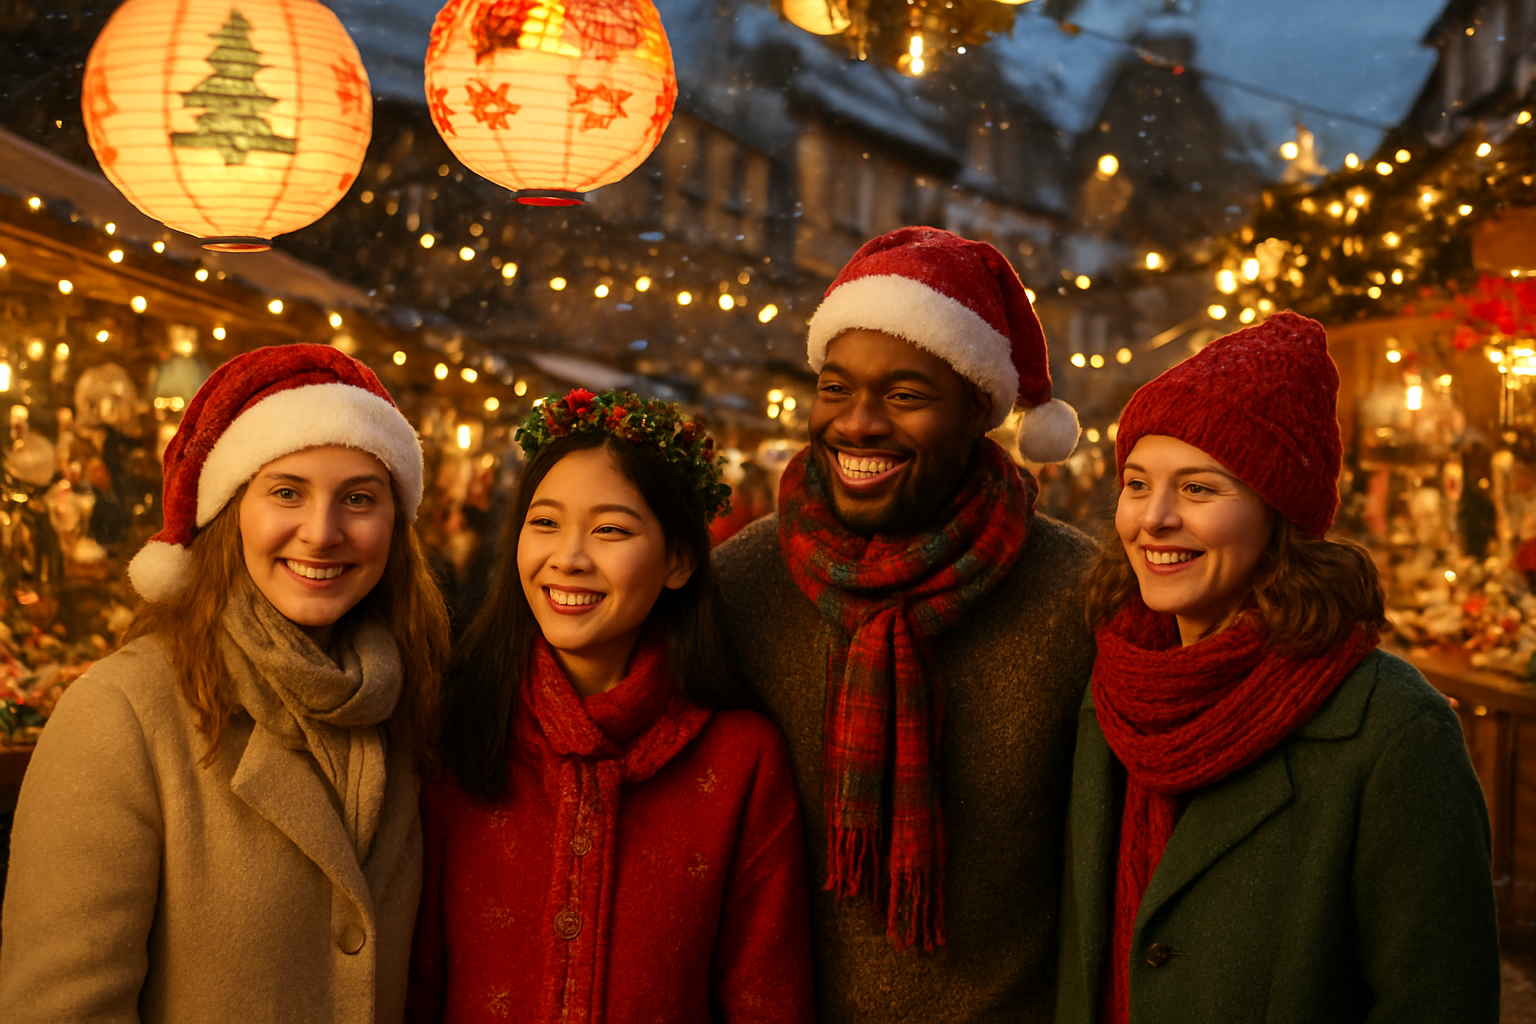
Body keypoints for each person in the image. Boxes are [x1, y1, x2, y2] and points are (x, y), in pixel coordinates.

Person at [1055, 312, 1500, 1024]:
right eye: (1137, 483)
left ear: (1279, 515)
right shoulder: (1114, 689)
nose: (1153, 519)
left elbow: (1438, 1001)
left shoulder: (1391, 729)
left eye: (1199, 489)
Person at [0, 344, 451, 1023]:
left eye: (359, 498)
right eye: (286, 492)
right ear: (229, 511)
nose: (322, 532)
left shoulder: (411, 706)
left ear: (397, 525)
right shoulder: (122, 713)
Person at [713, 225, 1095, 1023]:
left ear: (976, 412)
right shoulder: (740, 583)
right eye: (835, 387)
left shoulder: (1076, 595)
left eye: (905, 395)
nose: (857, 423)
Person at [407, 388, 814, 1024]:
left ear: (678, 559)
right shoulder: (458, 723)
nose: (568, 558)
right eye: (544, 523)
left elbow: (767, 997)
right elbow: (417, 982)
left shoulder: (740, 759)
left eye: (610, 530)